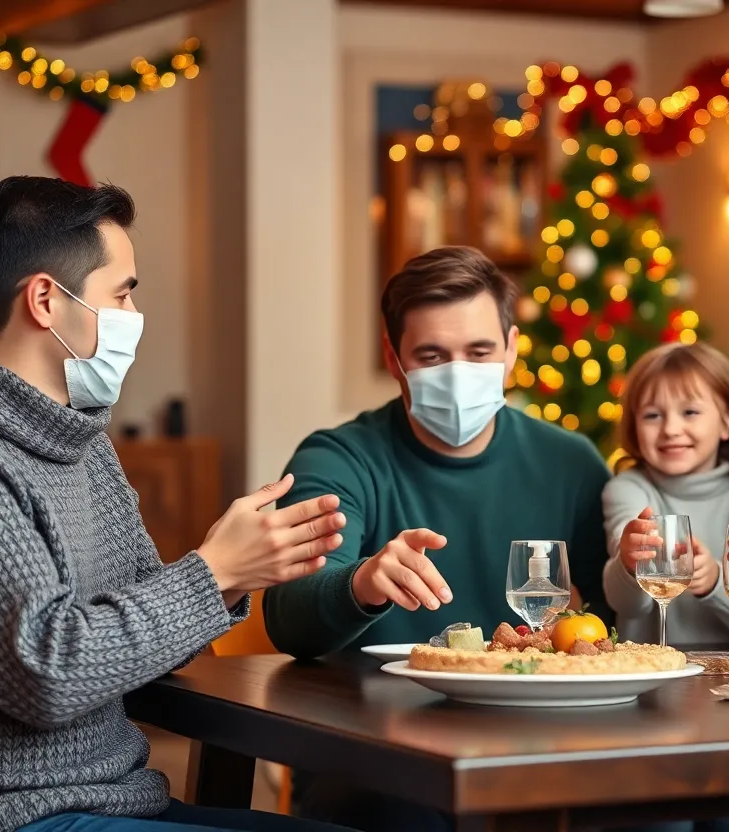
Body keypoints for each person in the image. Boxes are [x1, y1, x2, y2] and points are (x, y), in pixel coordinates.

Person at [0, 176, 352, 832]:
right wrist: (213, 571)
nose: (134, 313)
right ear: (46, 300)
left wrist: (232, 574)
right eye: (122, 293)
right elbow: (48, 672)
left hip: (115, 797)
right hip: (13, 815)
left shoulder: (79, 440)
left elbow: (146, 641)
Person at [262, 246, 612, 830]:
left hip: (543, 741)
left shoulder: (571, 464)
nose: (458, 373)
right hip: (377, 751)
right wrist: (362, 583)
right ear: (393, 358)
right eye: (432, 355)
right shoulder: (339, 459)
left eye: (479, 352)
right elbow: (287, 617)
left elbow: (620, 613)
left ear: (511, 352)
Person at [602, 342, 729, 832]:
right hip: (649, 705)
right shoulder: (629, 490)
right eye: (652, 415)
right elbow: (624, 602)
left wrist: (713, 583)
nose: (671, 429)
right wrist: (629, 561)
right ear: (634, 426)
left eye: (689, 411)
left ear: (727, 423)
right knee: (664, 821)